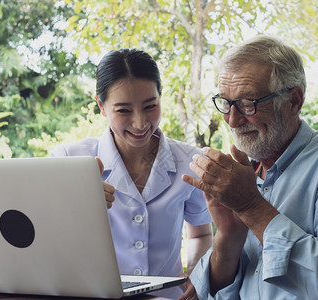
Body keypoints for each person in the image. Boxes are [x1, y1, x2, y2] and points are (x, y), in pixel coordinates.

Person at [181, 35, 318, 299]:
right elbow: (207, 293)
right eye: (226, 103)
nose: (232, 120)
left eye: (248, 104)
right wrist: (228, 235)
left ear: (294, 101)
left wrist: (251, 207)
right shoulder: (245, 173)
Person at [50, 48, 213, 299]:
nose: (140, 123)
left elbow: (201, 233)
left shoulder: (191, 162)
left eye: (150, 106)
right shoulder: (68, 160)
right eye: (123, 110)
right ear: (101, 106)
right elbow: (47, 243)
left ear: (161, 97)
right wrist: (74, 208)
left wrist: (196, 271)